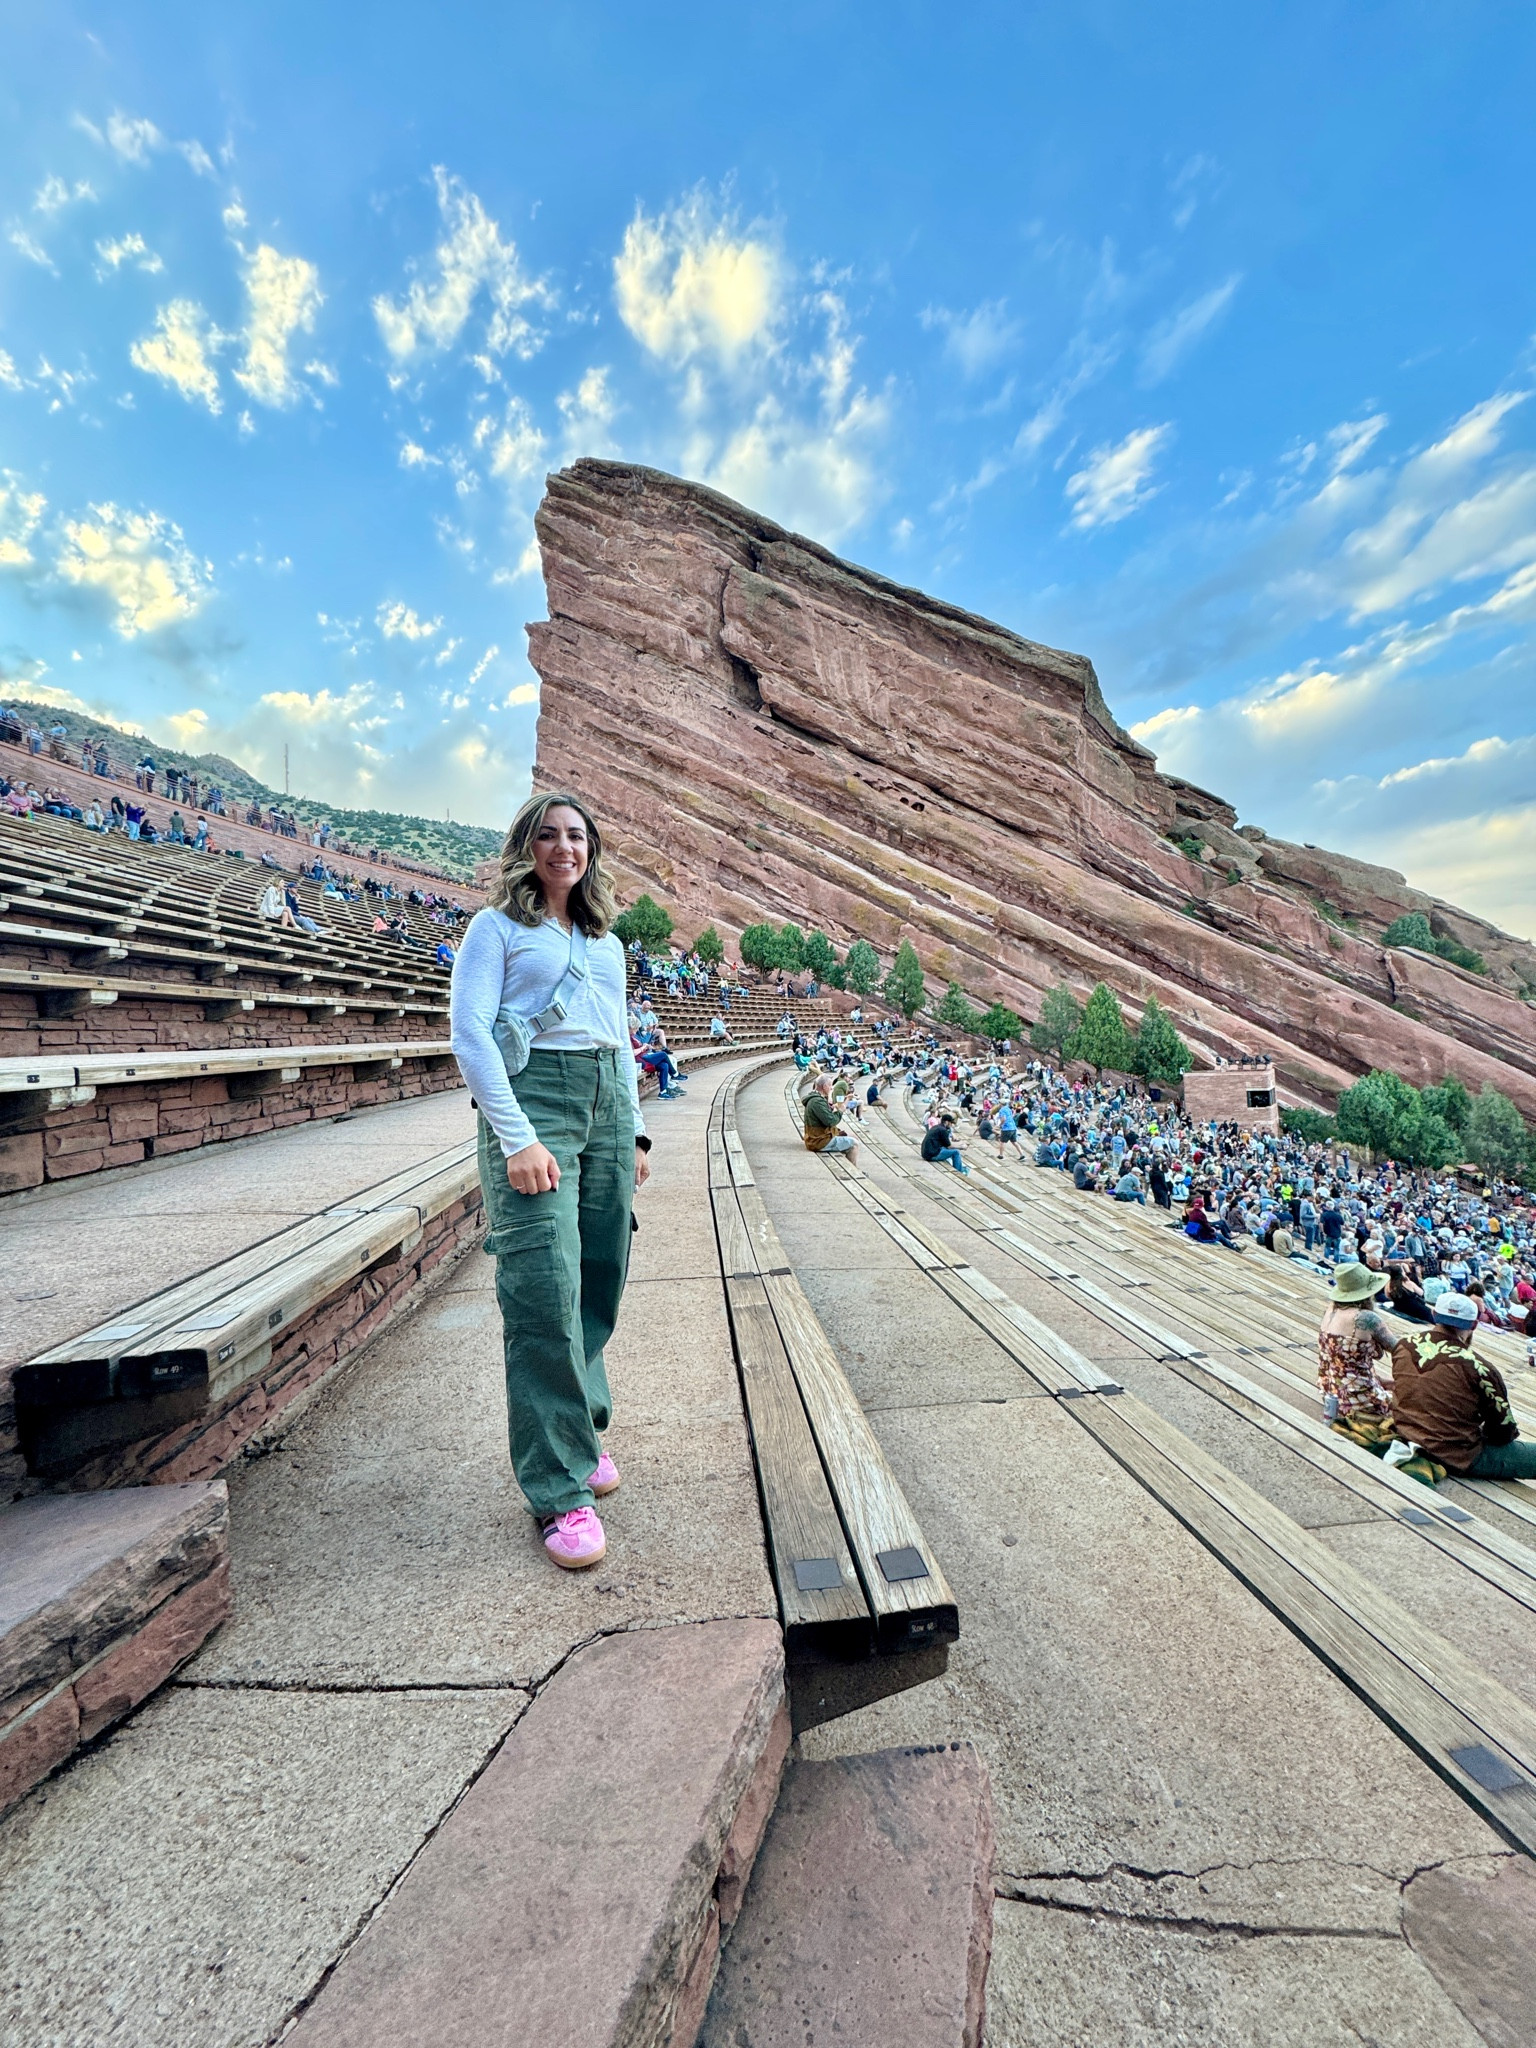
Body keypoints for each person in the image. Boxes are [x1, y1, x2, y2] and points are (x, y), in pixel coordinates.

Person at [450, 790, 649, 1572]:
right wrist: (518, 1137)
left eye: (577, 836)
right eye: (549, 835)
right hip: (537, 1104)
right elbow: (469, 1033)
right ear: (525, 847)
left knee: (600, 1276)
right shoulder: (495, 929)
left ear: (591, 849)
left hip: (605, 1106)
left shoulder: (608, 942)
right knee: (543, 1288)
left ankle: (582, 1426)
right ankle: (559, 1487)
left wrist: (632, 1130)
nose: (564, 847)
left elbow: (620, 1039)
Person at [1391, 1291, 1536, 1479]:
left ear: (1434, 1315)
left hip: (1407, 1434)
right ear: (1474, 1324)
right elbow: (1503, 1432)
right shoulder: (1479, 1368)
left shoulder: (1403, 1345)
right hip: (1457, 1457)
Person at [1317, 1262, 1412, 1452]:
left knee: (1392, 1385)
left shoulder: (1331, 1310)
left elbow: (1345, 1363)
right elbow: (1399, 1350)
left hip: (1331, 1392)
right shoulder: (1366, 1318)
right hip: (1360, 1401)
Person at [803, 1076, 858, 1163]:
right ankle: (855, 1171)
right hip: (818, 1141)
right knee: (854, 1143)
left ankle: (850, 1165)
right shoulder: (817, 1102)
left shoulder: (816, 1098)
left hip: (818, 1137)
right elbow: (831, 1121)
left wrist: (833, 1107)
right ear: (824, 1086)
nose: (831, 1088)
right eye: (830, 1085)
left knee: (853, 1136)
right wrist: (840, 1111)